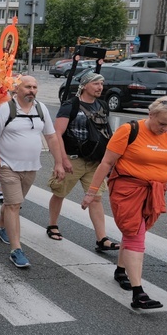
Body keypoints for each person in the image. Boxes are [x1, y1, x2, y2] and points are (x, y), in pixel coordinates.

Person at [82, 97, 167, 309]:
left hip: (155, 192)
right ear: (150, 115)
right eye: (161, 123)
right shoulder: (129, 130)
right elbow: (107, 162)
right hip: (127, 190)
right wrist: (91, 192)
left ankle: (121, 270)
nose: (165, 128)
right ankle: (138, 293)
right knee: (135, 235)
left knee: (135, 231)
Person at [0, 76, 64, 268]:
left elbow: (51, 137)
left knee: (13, 201)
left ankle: (0, 226)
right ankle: (16, 249)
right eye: (28, 86)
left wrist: (58, 163)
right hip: (8, 166)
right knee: (15, 205)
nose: (32, 90)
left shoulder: (41, 108)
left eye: (35, 87)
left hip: (31, 166)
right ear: (17, 89)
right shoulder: (5, 108)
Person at [48, 72, 119, 250]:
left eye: (101, 84)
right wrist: (62, 159)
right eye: (96, 84)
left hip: (95, 161)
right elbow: (57, 134)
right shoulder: (70, 105)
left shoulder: (102, 105)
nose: (100, 87)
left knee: (95, 198)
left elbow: (106, 133)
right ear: (85, 85)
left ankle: (101, 239)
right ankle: (52, 224)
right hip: (73, 159)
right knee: (59, 193)